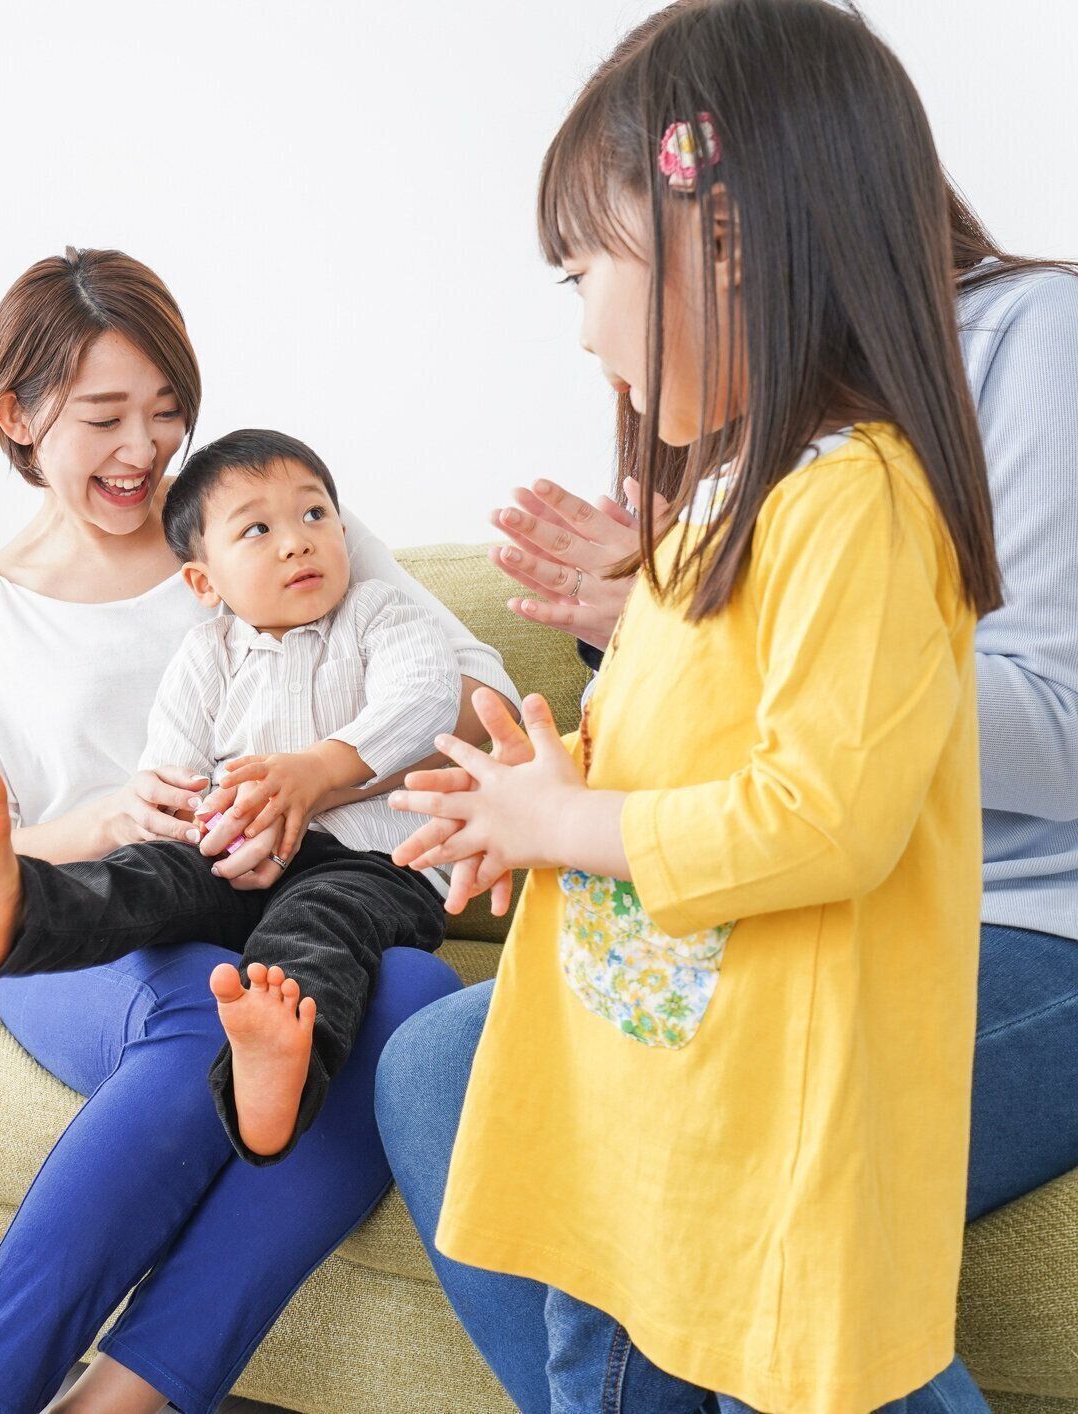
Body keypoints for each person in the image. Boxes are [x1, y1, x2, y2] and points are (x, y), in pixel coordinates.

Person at [384, 1, 1004, 1408]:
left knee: (807, 1376)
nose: (583, 322)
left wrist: (576, 817)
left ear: (723, 239)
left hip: (755, 1108)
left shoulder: (858, 503)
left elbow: (825, 816)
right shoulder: (733, 488)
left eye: (581, 268)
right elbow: (687, 739)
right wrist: (540, 796)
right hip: (653, 1090)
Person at [0, 248, 516, 1414]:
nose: (143, 448)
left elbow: (484, 703)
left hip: (296, 888)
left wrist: (321, 770)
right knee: (206, 999)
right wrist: (90, 823)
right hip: (85, 933)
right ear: (18, 415)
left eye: (165, 411)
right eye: (104, 417)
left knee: (405, 1013)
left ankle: (122, 1403)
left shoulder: (267, 523)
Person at [0, 428, 456, 1163]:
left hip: (373, 864)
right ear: (205, 584)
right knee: (150, 875)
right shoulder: (205, 654)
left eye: (314, 516)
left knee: (314, 935)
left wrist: (318, 769)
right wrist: (225, 830)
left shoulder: (380, 617)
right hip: (240, 858)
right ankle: (16, 912)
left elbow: (426, 697)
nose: (296, 543)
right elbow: (174, 769)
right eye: (257, 531)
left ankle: (273, 1077)